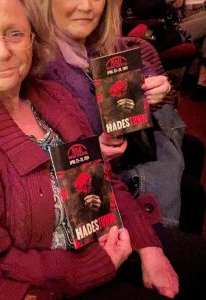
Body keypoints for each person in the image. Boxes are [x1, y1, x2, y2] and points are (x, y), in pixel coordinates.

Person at [0, 0, 205, 299]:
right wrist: (93, 265)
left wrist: (149, 246)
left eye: (15, 34)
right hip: (57, 280)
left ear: (33, 40)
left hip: (108, 238)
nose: (2, 51)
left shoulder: (53, 96)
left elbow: (104, 179)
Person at [40, 0, 206, 233]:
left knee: (194, 153)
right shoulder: (39, 63)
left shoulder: (94, 42)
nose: (87, 6)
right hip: (90, 191)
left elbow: (128, 59)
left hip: (123, 153)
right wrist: (94, 150)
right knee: (190, 192)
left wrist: (155, 83)